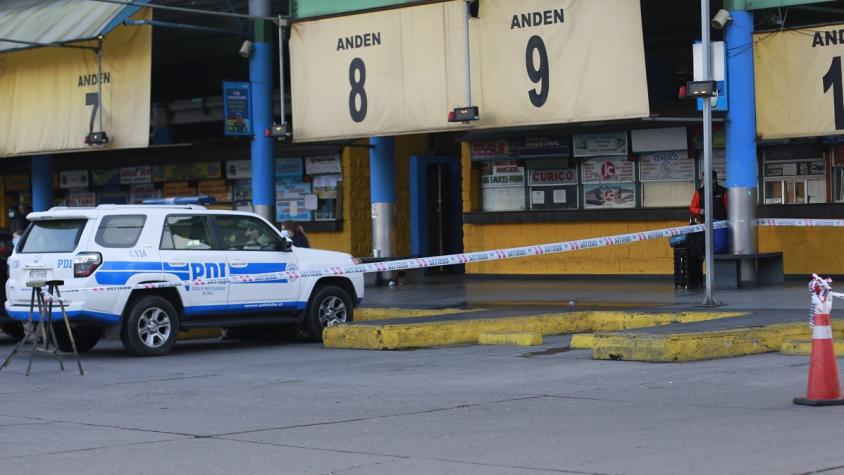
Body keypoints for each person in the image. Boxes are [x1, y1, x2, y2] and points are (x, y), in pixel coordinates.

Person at [689, 171, 729, 254]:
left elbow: (728, 207)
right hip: (705, 223)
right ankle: (710, 264)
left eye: (706, 179)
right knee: (707, 247)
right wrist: (700, 211)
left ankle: (719, 262)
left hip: (720, 222)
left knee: (721, 245)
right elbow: (692, 208)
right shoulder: (699, 192)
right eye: (703, 179)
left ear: (714, 180)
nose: (704, 181)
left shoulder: (722, 191)